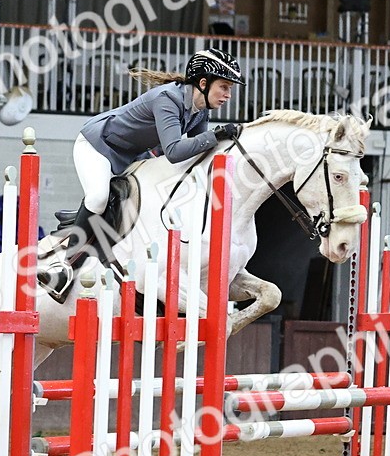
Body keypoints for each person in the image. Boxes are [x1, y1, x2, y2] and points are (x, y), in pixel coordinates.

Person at [39, 48, 245, 301]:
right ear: (203, 83)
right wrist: (215, 136)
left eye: (230, 89)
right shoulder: (167, 98)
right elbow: (174, 151)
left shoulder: (200, 110)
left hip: (133, 154)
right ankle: (62, 267)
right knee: (98, 198)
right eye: (224, 87)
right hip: (99, 146)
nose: (228, 94)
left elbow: (195, 153)